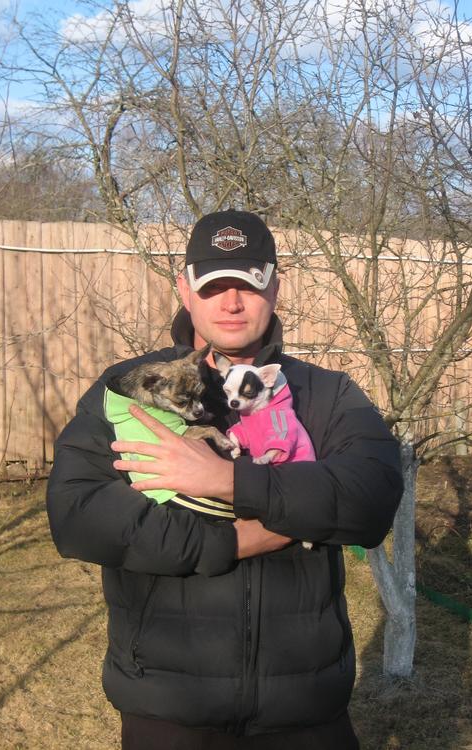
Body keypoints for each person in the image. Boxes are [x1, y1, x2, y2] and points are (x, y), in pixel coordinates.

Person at [46, 209, 403, 749]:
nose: (231, 303)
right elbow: (77, 516)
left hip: (306, 710)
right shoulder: (133, 388)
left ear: (275, 288)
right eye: (213, 287)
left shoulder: (326, 393)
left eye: (249, 285)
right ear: (185, 290)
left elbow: (371, 500)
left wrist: (229, 481)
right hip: (167, 708)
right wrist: (234, 540)